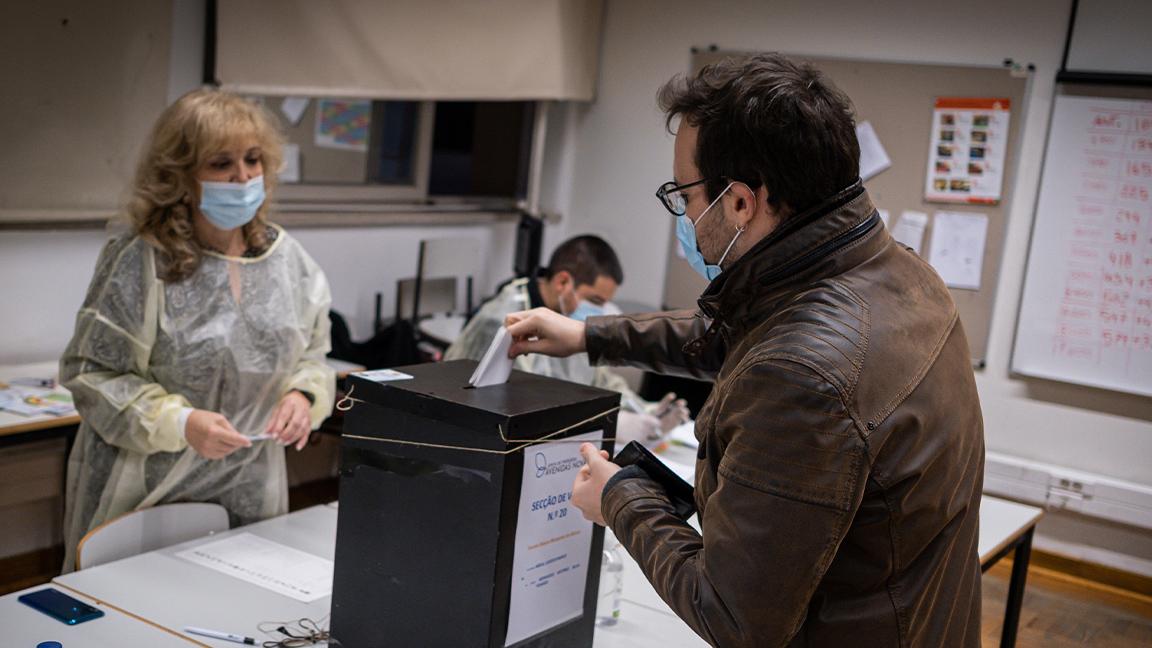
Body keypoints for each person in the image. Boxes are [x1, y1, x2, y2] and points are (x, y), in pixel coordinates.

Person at [505, 53, 985, 647]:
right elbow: (745, 332)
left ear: (738, 202)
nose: (682, 212)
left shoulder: (805, 373)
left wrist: (617, 495)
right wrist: (588, 334)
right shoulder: (896, 273)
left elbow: (732, 616)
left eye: (683, 193)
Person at [59, 89, 335, 571]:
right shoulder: (142, 260)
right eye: (222, 163)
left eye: (253, 160)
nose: (244, 177)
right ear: (181, 177)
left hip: (250, 493)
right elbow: (92, 373)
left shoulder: (286, 259)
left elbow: (313, 353)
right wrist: (182, 423)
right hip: (147, 497)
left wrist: (303, 397)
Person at [444, 235, 688, 442]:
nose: (599, 312)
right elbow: (521, 407)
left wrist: (643, 409)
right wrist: (613, 423)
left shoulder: (566, 318)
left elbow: (598, 378)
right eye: (594, 301)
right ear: (563, 282)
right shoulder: (503, 321)